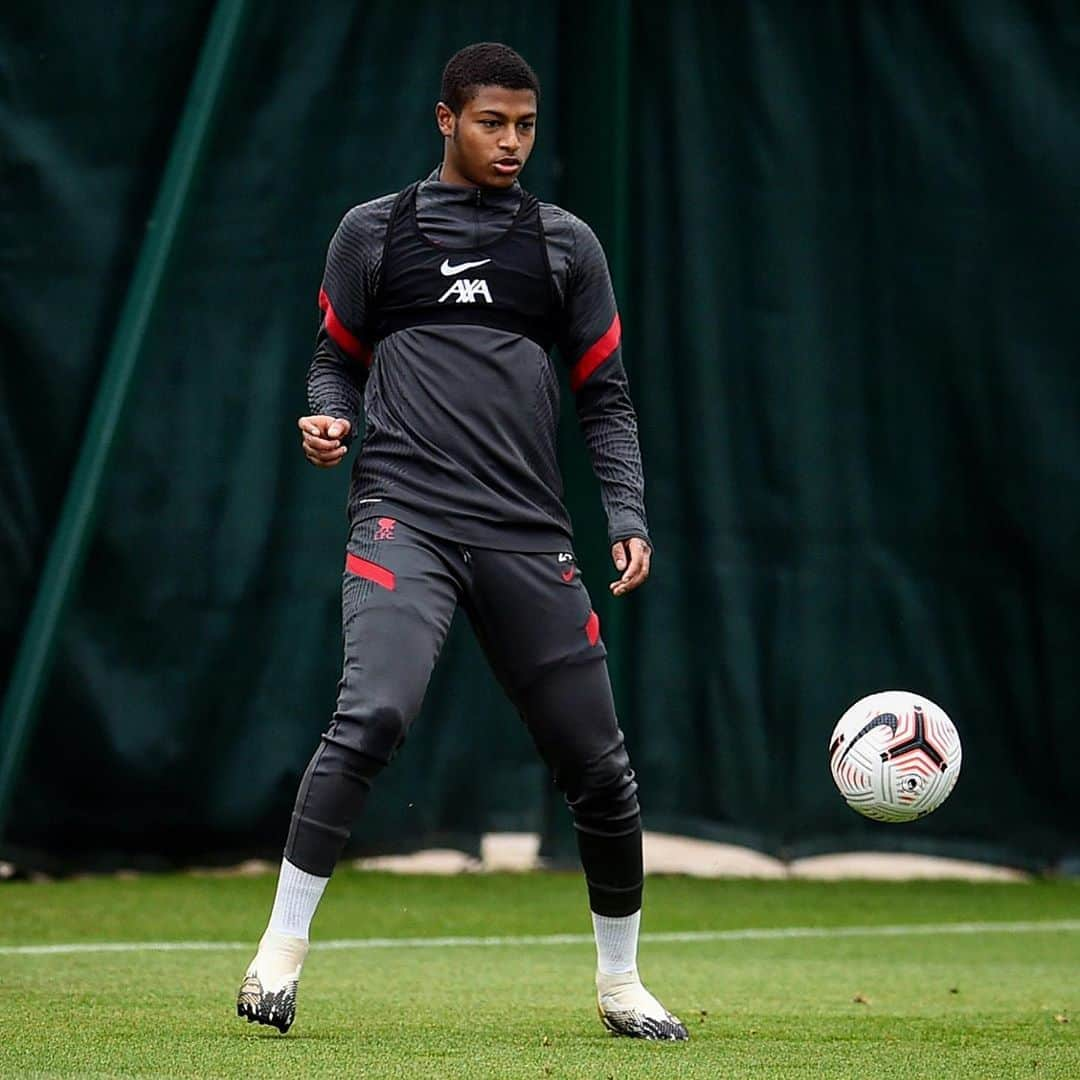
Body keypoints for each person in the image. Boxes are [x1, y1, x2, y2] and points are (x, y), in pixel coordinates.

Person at [236, 41, 686, 1043]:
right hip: (405, 515)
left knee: (600, 767)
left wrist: (627, 510)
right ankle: (278, 960)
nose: (512, 142)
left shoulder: (566, 246)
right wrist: (324, 421)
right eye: (492, 122)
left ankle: (621, 988)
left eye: (526, 125)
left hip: (528, 531)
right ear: (446, 120)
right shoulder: (374, 233)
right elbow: (331, 368)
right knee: (375, 713)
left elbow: (605, 399)